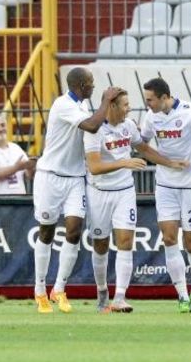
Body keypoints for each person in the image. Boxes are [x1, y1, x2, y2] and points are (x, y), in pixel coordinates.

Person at [84, 89, 187, 313]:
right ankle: (102, 290)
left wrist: (169, 163)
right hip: (99, 191)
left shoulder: (129, 126)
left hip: (124, 190)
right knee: (100, 243)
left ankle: (120, 297)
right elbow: (94, 167)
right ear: (111, 106)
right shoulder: (94, 130)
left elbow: (144, 149)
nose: (129, 108)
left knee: (125, 242)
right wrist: (124, 163)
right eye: (125, 104)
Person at [33, 67, 122, 314]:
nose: (94, 87)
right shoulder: (62, 105)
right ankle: (39, 290)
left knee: (73, 230)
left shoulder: (82, 106)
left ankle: (59, 289)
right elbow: (93, 126)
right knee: (47, 231)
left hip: (74, 177)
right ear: (81, 85)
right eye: (91, 83)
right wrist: (105, 101)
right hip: (50, 176)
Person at [141, 78, 191, 312]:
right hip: (165, 185)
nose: (148, 105)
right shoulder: (150, 117)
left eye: (150, 100)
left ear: (164, 97)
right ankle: (182, 296)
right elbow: (142, 144)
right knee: (169, 238)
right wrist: (167, 162)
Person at [0, 114, 35, 195]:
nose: (0, 129)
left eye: (3, 125)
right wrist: (16, 168)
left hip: (19, 201)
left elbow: (28, 175)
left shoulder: (16, 148)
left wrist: (30, 168)